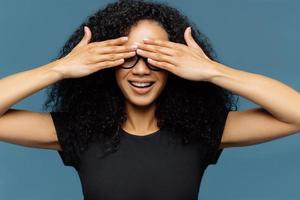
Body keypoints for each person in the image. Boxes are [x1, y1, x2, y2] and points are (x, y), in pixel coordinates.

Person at [0, 0, 299, 199]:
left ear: (175, 64)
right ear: (107, 64)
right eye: (128, 57)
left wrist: (212, 70)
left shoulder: (201, 130)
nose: (141, 70)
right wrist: (60, 68)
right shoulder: (78, 131)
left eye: (156, 58)